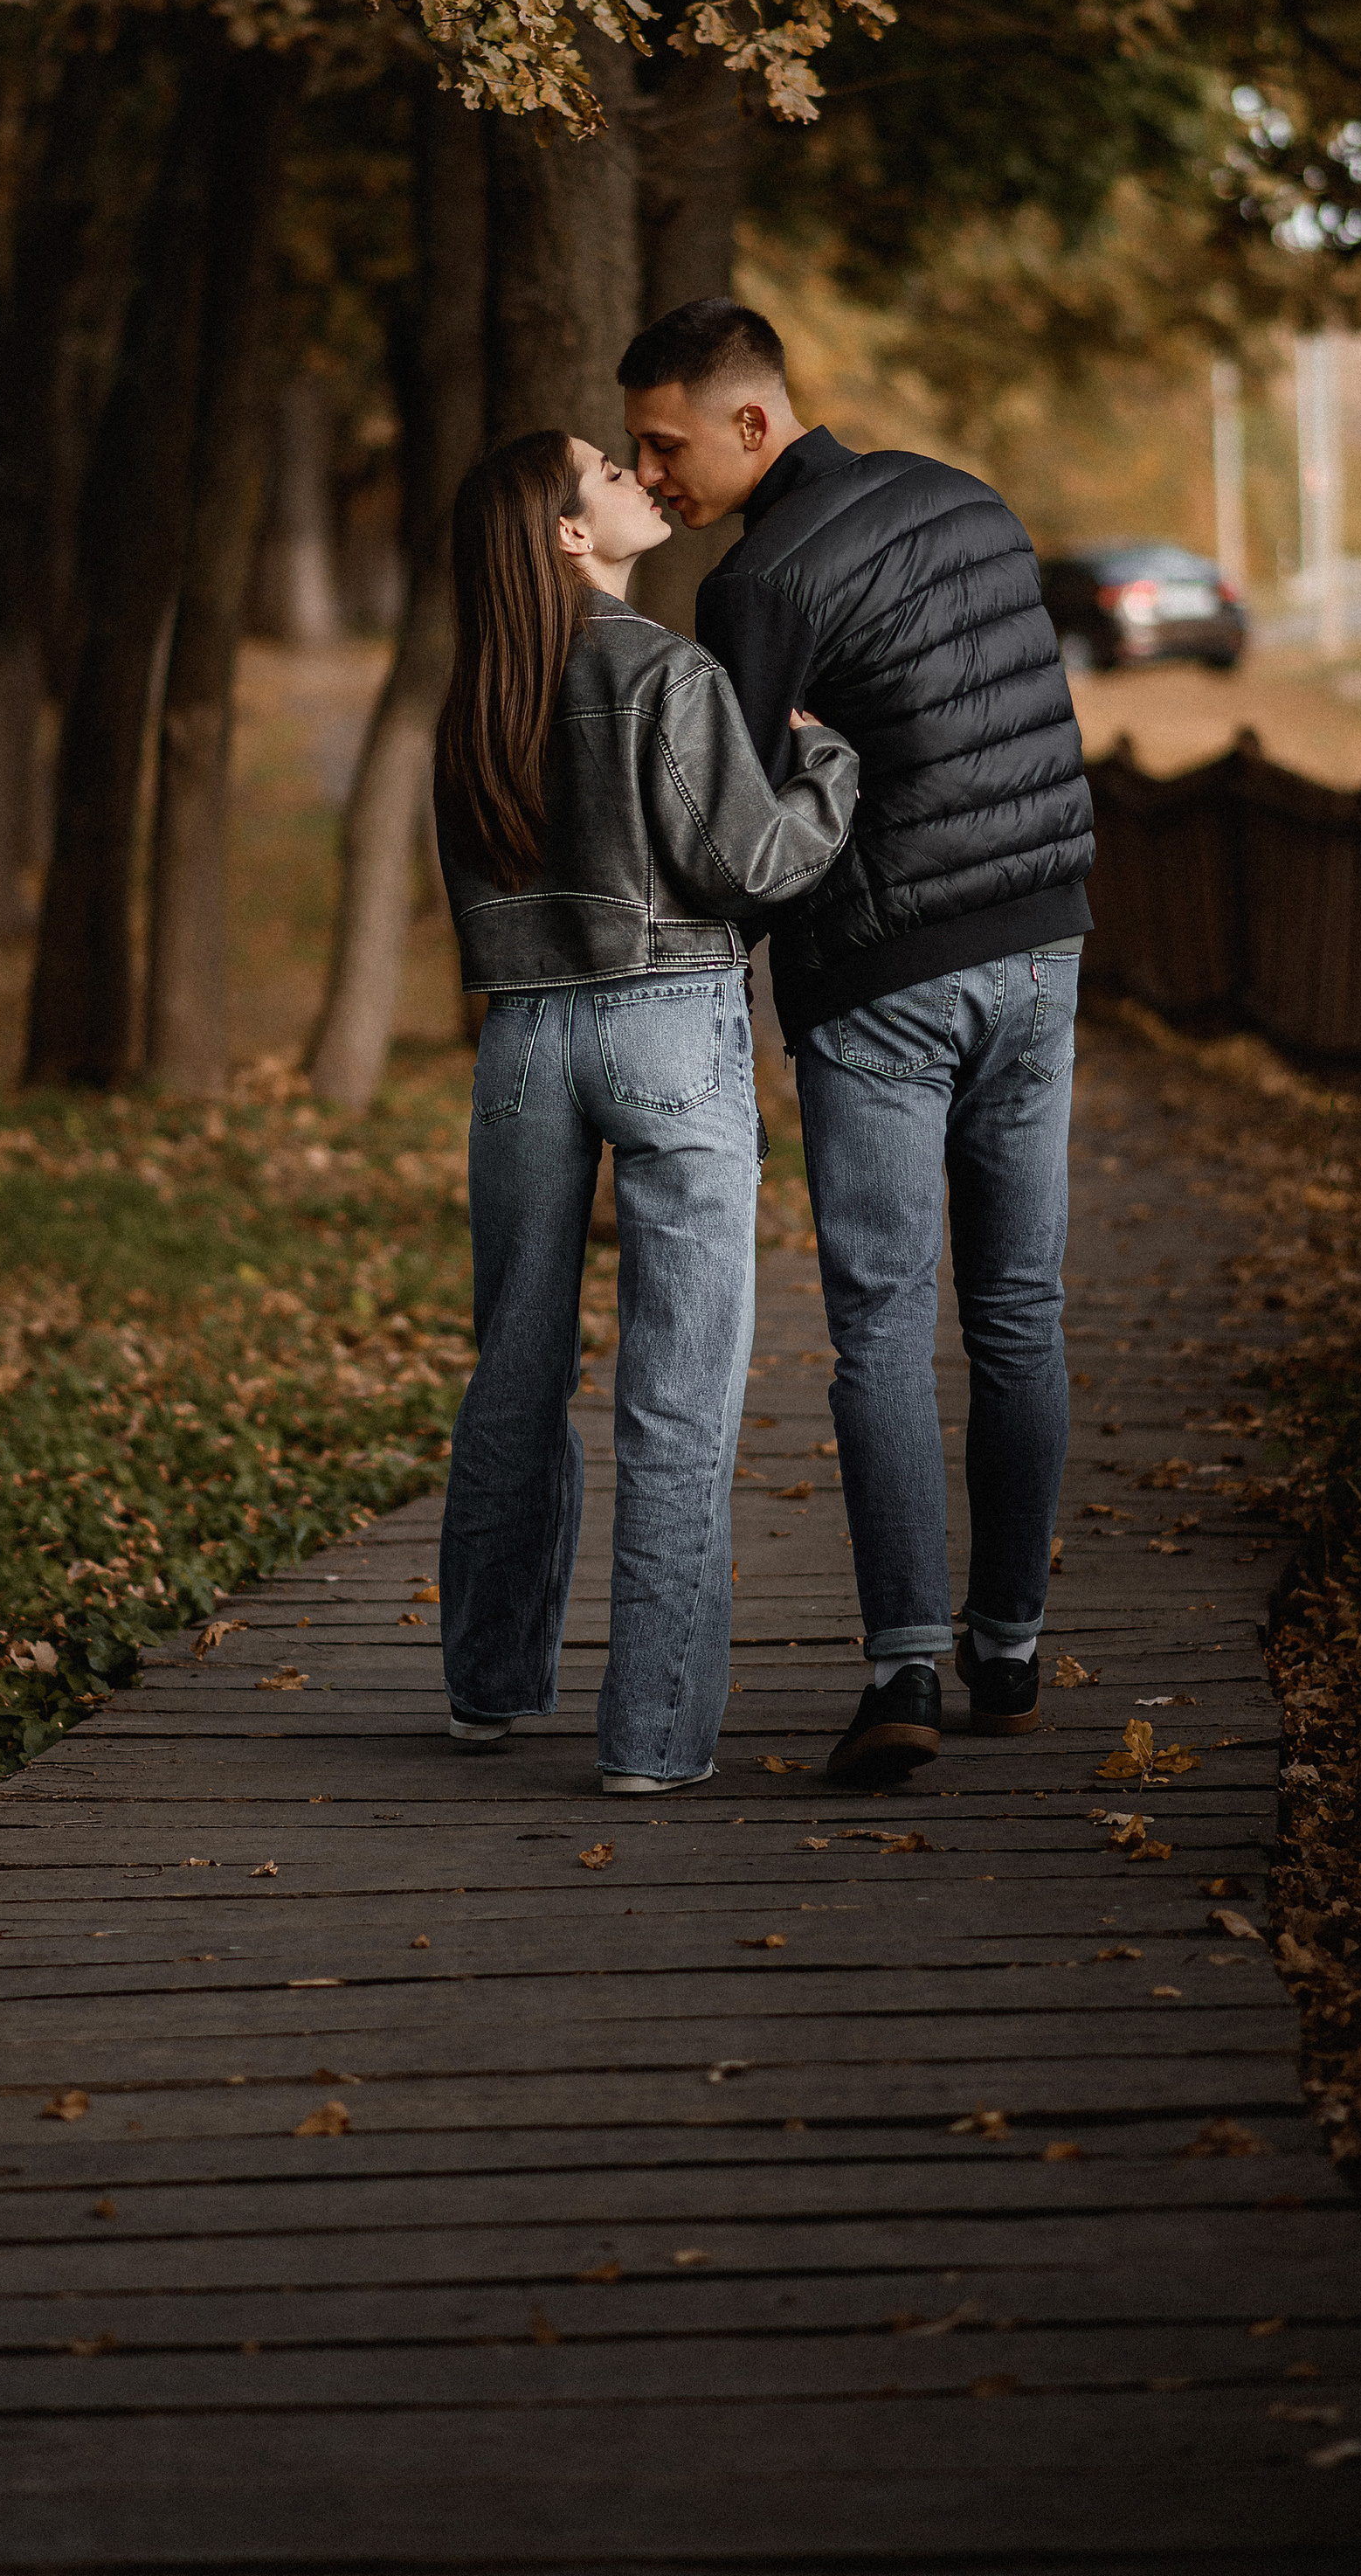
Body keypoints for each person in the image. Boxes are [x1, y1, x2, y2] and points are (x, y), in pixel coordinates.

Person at [619, 299, 1093, 1791]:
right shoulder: (973, 500)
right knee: (1019, 1308)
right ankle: (1010, 1649)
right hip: (1044, 950)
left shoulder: (759, 581)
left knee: (884, 1326)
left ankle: (904, 1671)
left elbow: (753, 833)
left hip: (885, 980)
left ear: (753, 423)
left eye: (666, 445)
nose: (653, 478)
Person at [432, 427, 858, 1795]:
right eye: (608, 474)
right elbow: (746, 863)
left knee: (516, 1366)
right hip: (668, 1019)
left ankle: (489, 1687)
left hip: (524, 1038)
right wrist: (827, 772)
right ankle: (654, 1739)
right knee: (677, 1392)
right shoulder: (663, 671)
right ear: (571, 533)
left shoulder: (477, 700)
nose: (634, 478)